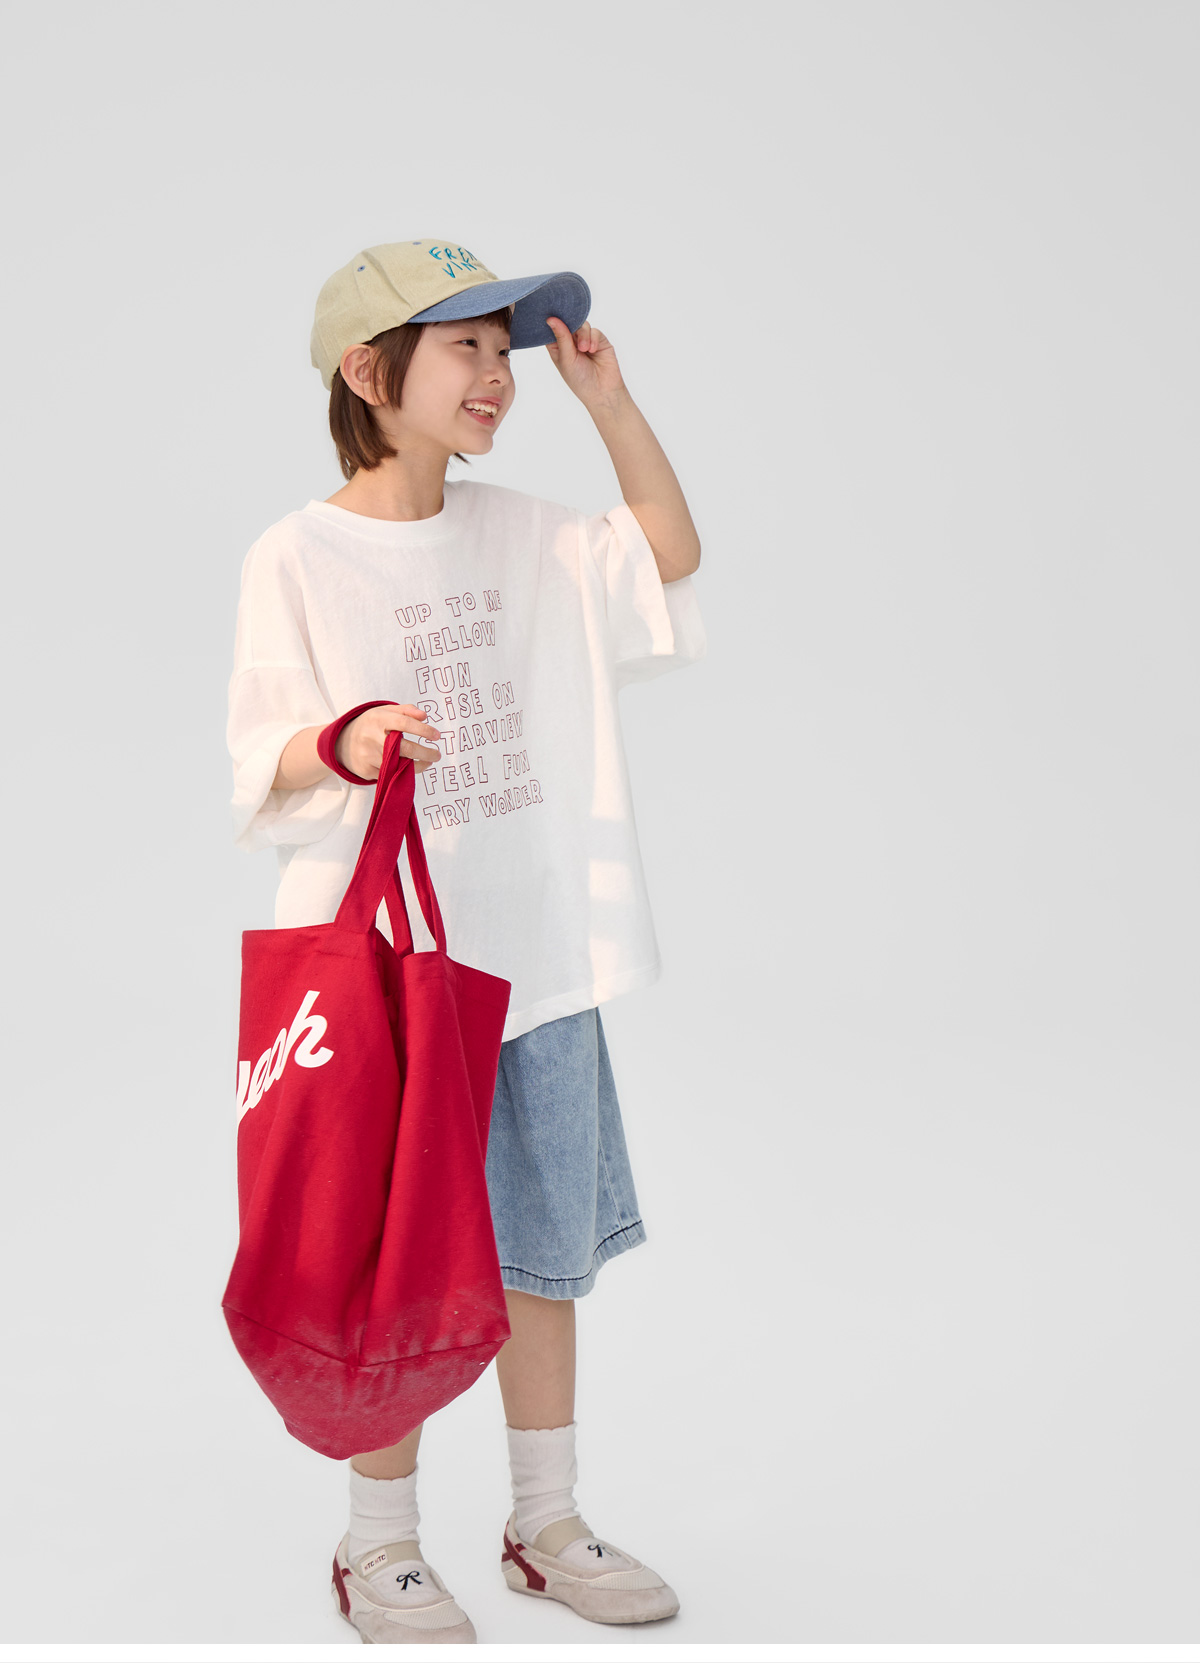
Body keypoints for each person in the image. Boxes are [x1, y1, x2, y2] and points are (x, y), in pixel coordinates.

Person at [226, 239, 706, 1644]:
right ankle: (377, 1542)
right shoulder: (296, 555)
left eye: (507, 349)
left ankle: (544, 1524)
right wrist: (349, 738)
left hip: (531, 962)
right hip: (385, 983)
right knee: (394, 1261)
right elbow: (259, 751)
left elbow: (669, 554)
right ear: (369, 372)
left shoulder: (531, 533)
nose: (501, 375)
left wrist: (611, 402)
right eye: (468, 349)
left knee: (538, 1256)